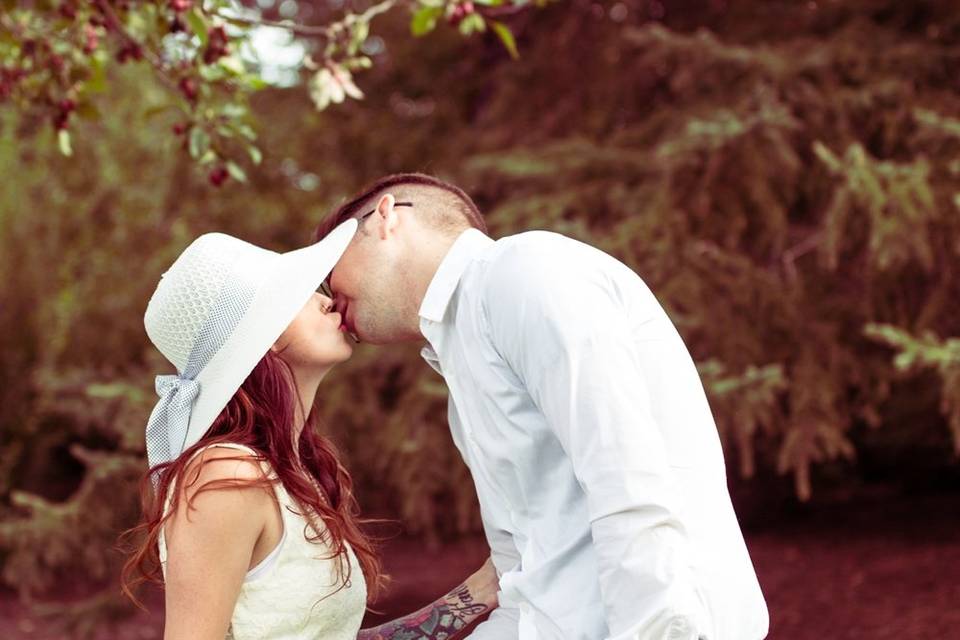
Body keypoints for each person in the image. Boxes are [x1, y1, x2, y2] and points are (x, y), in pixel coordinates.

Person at [314, 173, 770, 640]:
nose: (328, 294)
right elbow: (523, 567)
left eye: (330, 263)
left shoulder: (522, 270)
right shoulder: (464, 353)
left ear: (387, 217)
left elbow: (625, 478)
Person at [120, 221, 500, 640]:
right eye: (295, 296)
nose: (325, 301)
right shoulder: (225, 477)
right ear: (259, 340)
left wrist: (475, 593)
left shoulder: (290, 475)